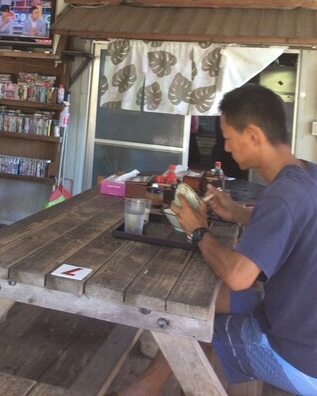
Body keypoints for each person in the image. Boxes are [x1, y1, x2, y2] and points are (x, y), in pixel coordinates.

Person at [118, 84, 317, 396]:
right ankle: (146, 389)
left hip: (298, 356)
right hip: (299, 325)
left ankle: (147, 389)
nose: (226, 147)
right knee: (201, 299)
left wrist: (199, 231)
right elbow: (293, 227)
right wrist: (237, 213)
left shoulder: (282, 195)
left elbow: (238, 276)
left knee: (187, 321)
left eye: (228, 137)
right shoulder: (307, 176)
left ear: (252, 135)